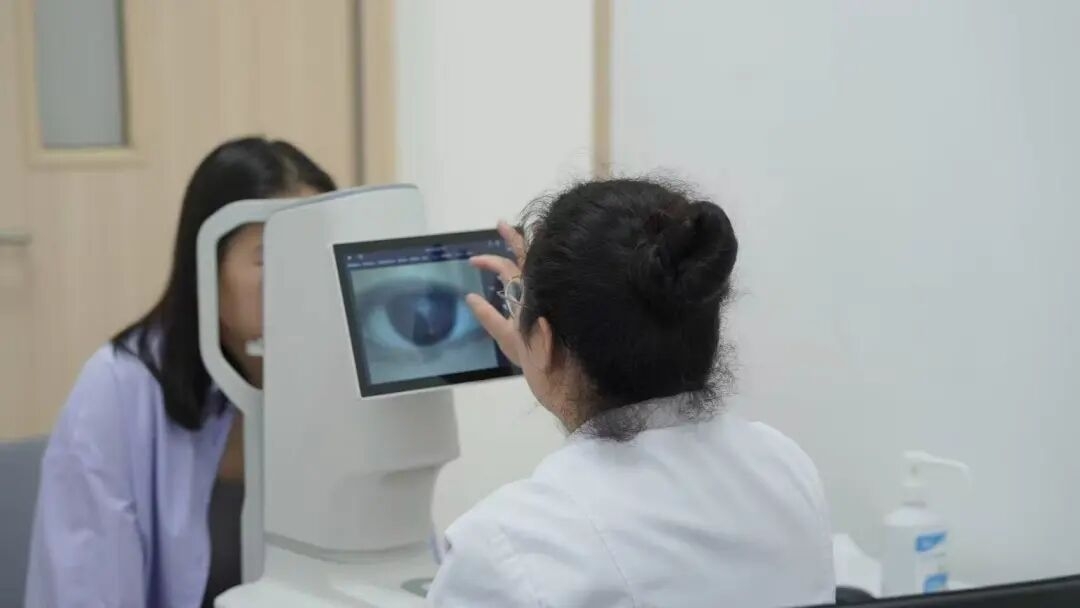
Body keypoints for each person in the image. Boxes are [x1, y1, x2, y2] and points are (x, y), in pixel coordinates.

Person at [429, 178, 835, 607]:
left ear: (543, 339)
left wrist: (544, 358)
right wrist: (544, 343)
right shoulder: (784, 468)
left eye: (518, 300)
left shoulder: (506, 547)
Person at [23, 137, 337, 608]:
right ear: (207, 267)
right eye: (272, 255)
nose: (305, 276)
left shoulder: (344, 380)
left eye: (317, 249)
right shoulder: (117, 389)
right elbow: (86, 591)